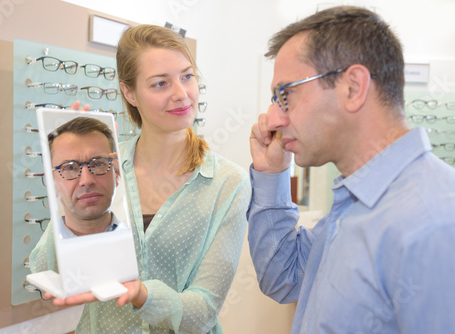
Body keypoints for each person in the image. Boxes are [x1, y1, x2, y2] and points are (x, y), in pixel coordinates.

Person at [30, 24, 250, 334]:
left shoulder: (227, 183)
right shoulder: (105, 166)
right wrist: (69, 175)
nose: (181, 93)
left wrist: (142, 295)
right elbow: (44, 271)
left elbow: (204, 312)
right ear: (129, 92)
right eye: (160, 83)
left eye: (187, 76)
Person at [248, 5, 455, 333]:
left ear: (353, 87)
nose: (273, 118)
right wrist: (272, 173)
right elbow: (283, 277)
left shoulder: (434, 221)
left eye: (285, 95)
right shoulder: (357, 202)